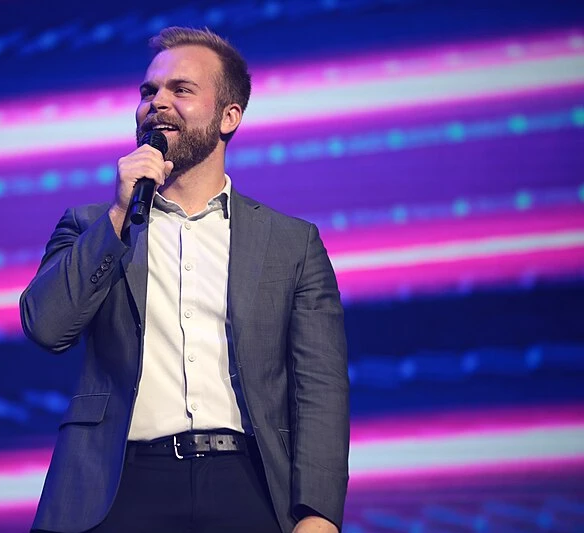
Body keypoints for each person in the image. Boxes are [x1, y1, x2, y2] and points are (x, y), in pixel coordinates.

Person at [20, 26, 349, 533]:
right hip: (120, 485)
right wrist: (118, 214)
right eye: (149, 92)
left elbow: (320, 388)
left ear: (229, 116)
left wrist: (319, 514)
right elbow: (46, 327)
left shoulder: (292, 243)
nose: (158, 103)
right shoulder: (92, 225)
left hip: (247, 481)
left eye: (181, 90)